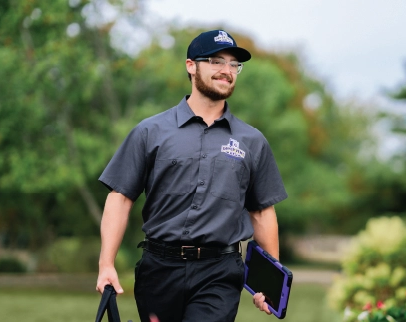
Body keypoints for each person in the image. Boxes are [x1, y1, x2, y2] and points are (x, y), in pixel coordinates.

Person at [95, 29, 287, 322]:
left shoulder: (252, 141)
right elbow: (120, 198)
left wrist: (270, 280)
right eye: (216, 61)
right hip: (158, 271)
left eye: (234, 64)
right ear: (190, 66)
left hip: (220, 272)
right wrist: (106, 263)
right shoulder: (150, 132)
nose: (227, 71)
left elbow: (261, 212)